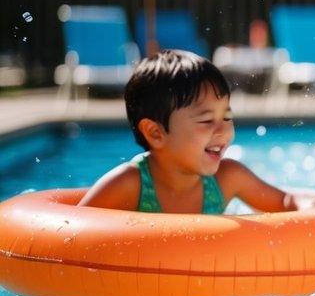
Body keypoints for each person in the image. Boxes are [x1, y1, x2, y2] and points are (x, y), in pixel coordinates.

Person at [79, 49, 300, 214]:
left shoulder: (228, 178)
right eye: (206, 120)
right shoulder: (130, 184)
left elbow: (286, 203)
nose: (223, 129)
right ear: (155, 133)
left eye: (227, 116)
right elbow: (71, 233)